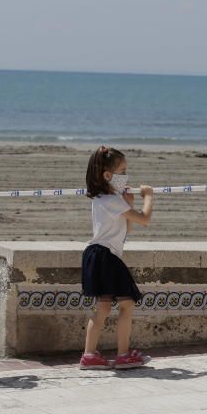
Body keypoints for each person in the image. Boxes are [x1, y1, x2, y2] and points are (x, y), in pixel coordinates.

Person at [79, 146, 154, 370]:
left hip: (96, 255)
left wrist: (128, 204)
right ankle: (123, 355)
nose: (126, 176)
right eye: (123, 171)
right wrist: (148, 197)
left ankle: (89, 355)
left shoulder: (104, 199)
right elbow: (144, 219)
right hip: (106, 256)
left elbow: (126, 229)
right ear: (108, 175)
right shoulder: (112, 201)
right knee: (127, 304)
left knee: (102, 308)